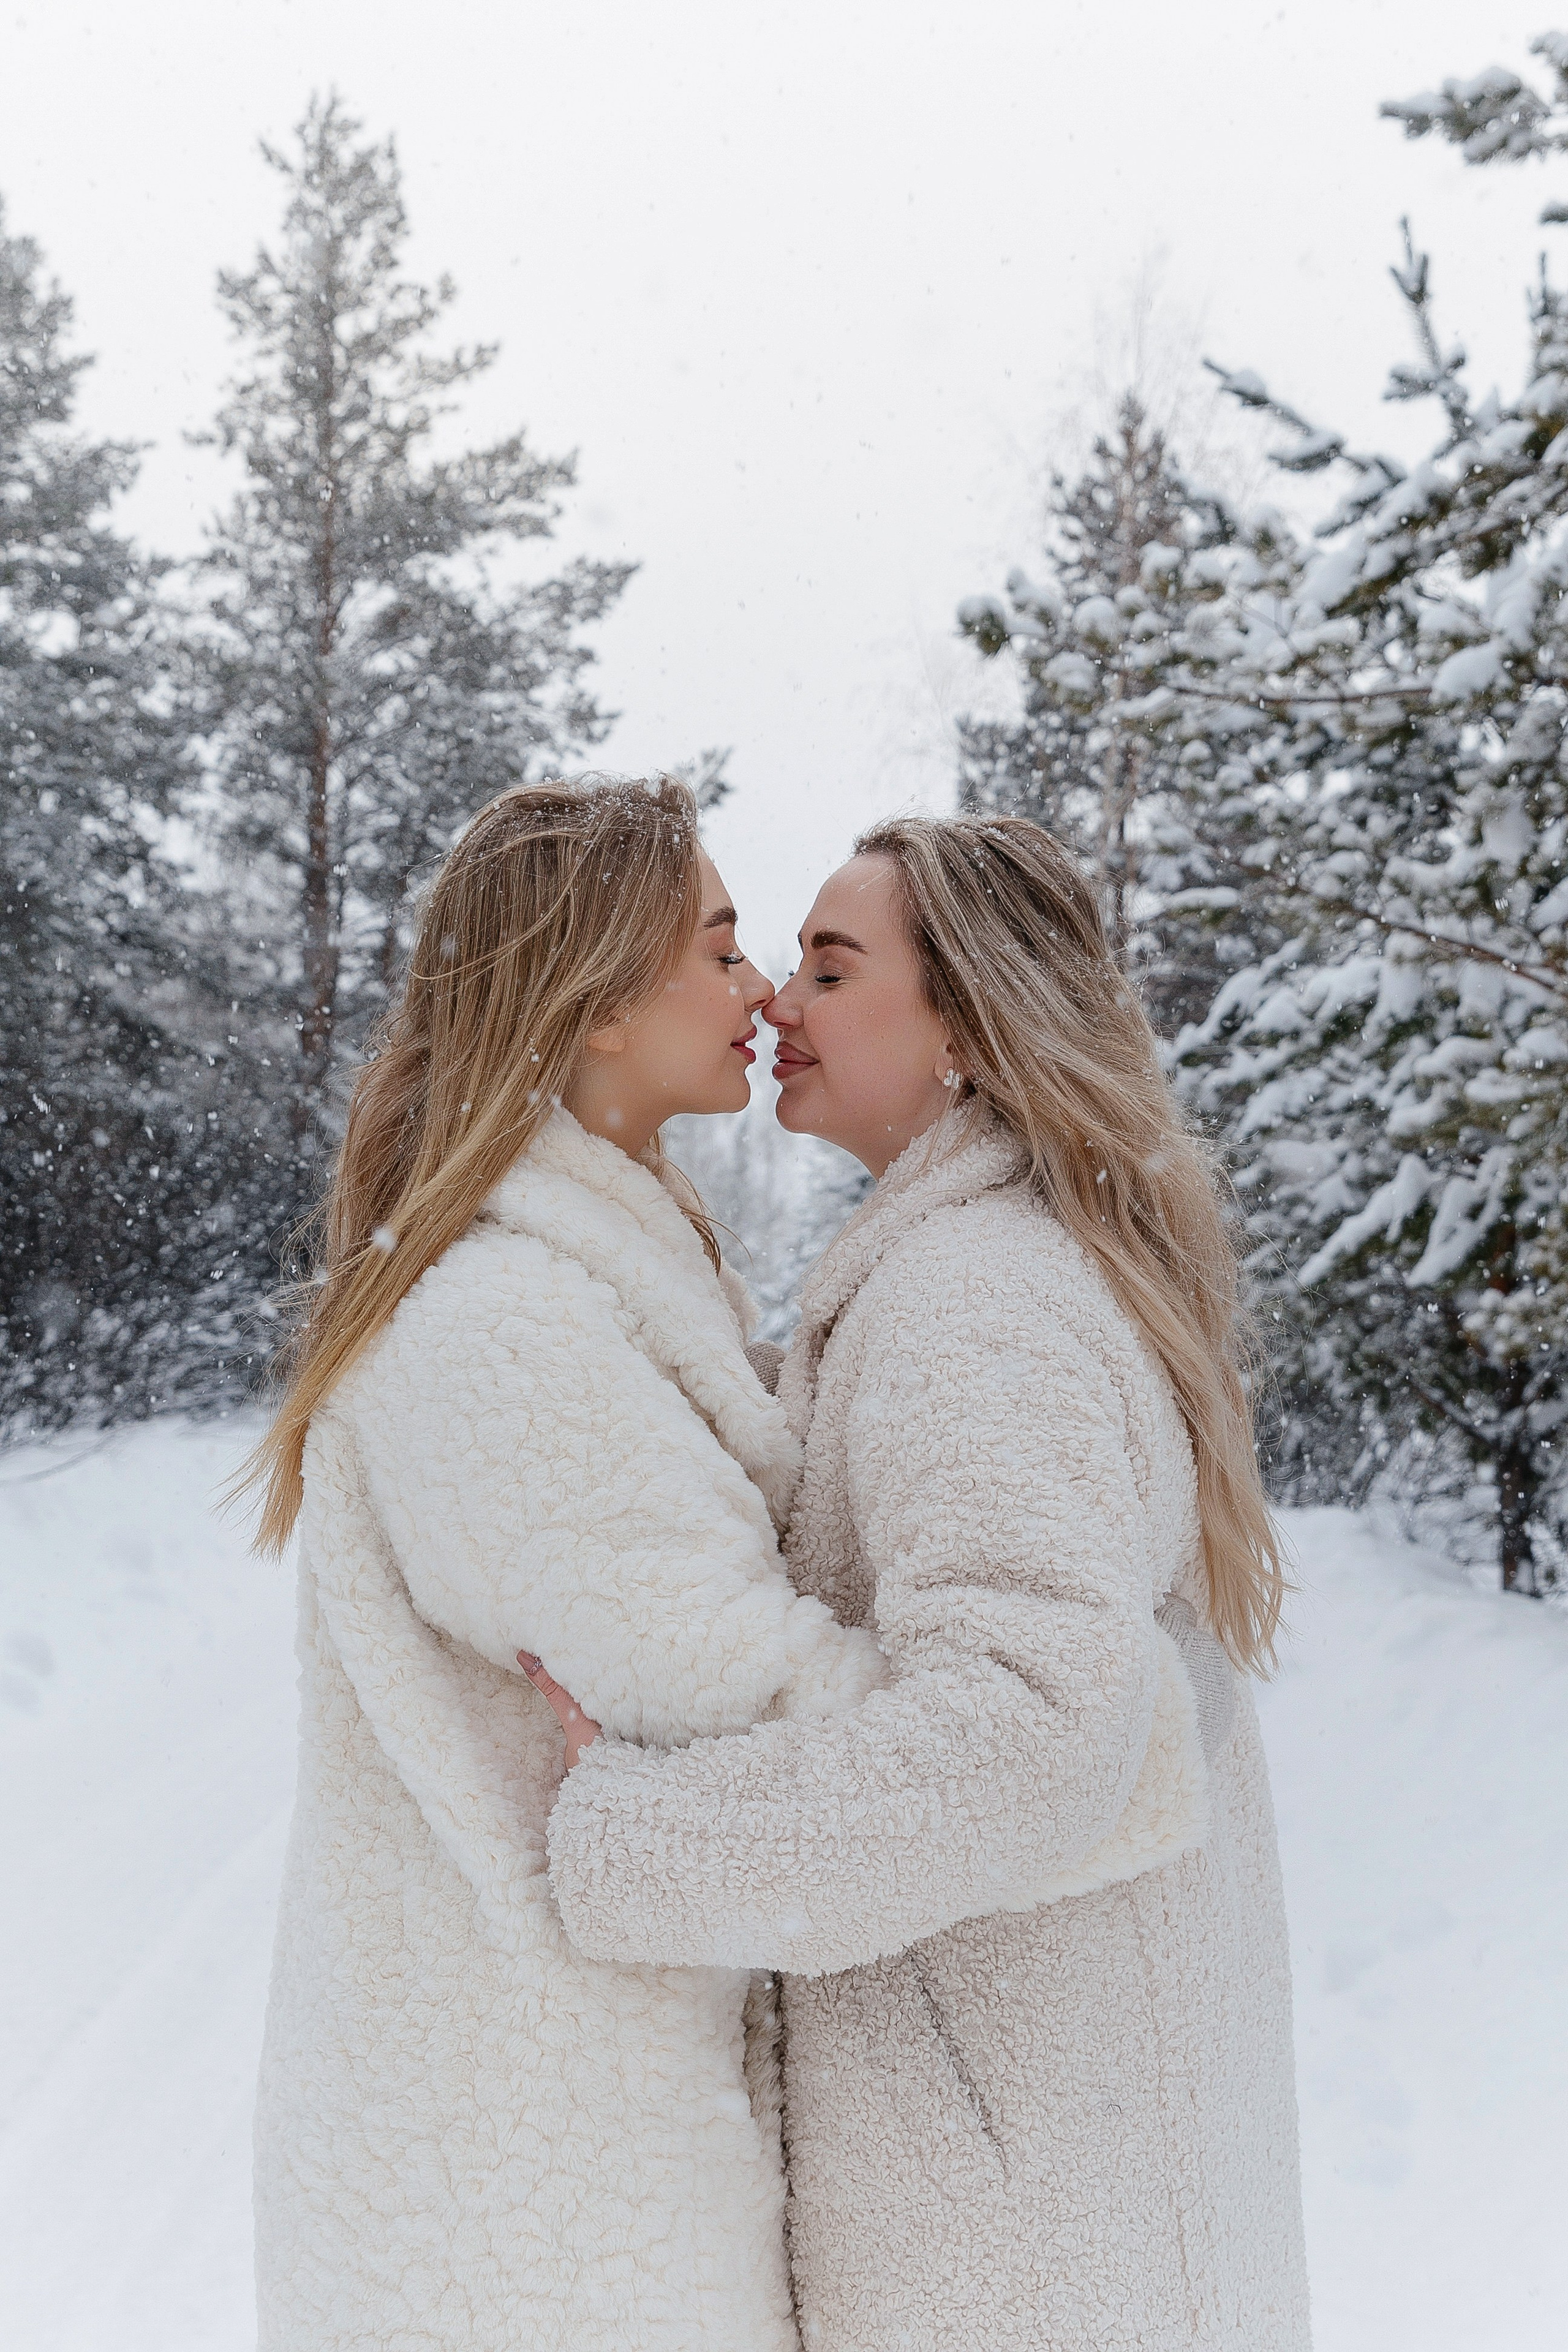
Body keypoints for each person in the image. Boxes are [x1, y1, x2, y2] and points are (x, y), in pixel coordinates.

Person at [537, 814, 1311, 2351]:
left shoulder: (975, 1301)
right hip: (1079, 2174)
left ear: (962, 1028)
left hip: (1016, 2237)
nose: (778, 1002)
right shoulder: (991, 1265)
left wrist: (638, 1837)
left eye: (831, 972)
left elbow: (1027, 1732)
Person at [243, 775, 890, 2352]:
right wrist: (1047, 1726)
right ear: (594, 1003)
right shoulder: (499, 1324)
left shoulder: (593, 1265)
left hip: (551, 2141)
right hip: (525, 2199)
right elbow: (734, 1688)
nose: (757, 991)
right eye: (719, 950)